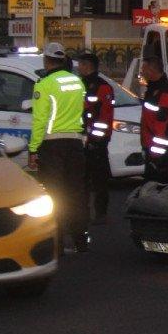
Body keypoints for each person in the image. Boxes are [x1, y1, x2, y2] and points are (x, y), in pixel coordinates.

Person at [28, 43, 89, 252]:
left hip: (52, 145)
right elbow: (82, 111)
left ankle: (58, 243)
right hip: (75, 143)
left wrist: (33, 149)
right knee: (76, 193)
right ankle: (81, 241)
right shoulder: (77, 82)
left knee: (55, 195)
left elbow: (39, 120)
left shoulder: (44, 85)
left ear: (46, 60)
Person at [76, 51, 114, 225]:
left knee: (99, 180)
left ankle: (101, 214)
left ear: (88, 66)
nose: (78, 67)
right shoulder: (79, 84)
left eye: (81, 64)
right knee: (82, 180)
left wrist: (96, 141)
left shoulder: (102, 87)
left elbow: (105, 118)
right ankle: (83, 213)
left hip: (96, 143)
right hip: (82, 139)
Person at [139, 55, 168, 182]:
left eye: (143, 70)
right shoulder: (153, 88)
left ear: (151, 71)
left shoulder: (165, 91)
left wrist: (156, 154)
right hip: (152, 146)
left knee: (158, 183)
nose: (141, 73)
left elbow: (163, 124)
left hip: (160, 151)